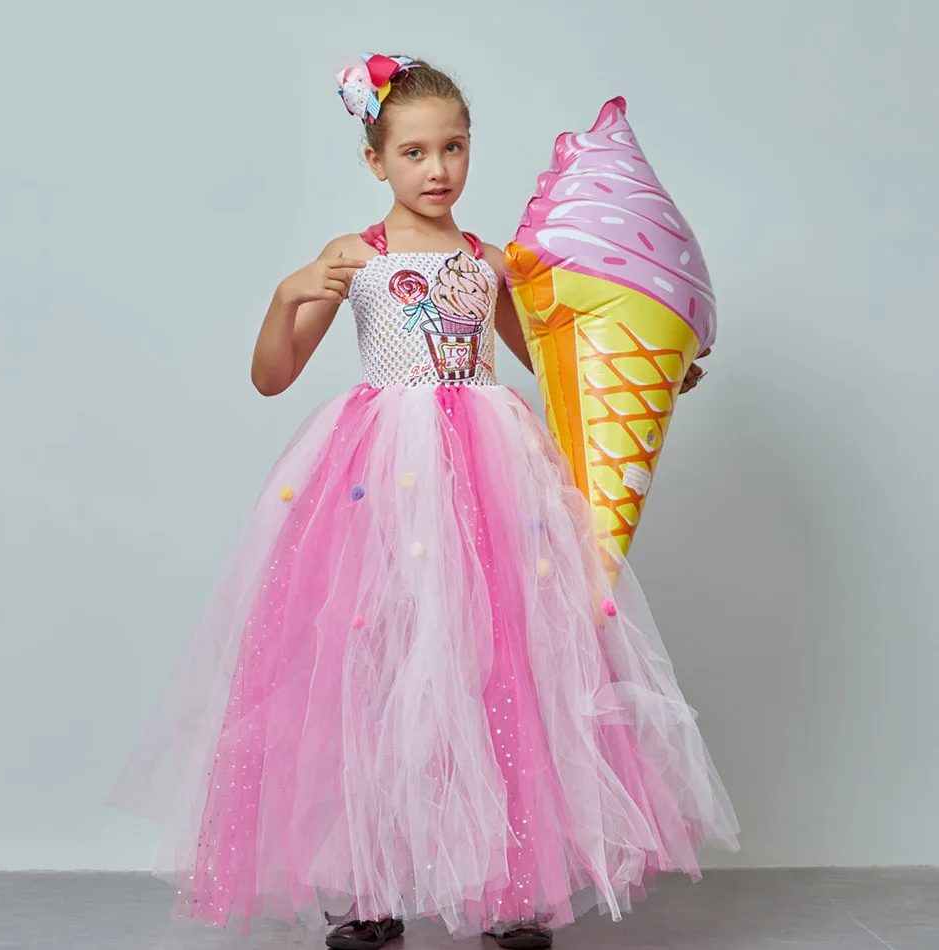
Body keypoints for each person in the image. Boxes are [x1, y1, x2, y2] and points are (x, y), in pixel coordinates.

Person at [106, 52, 738, 950]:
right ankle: (366, 887)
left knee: (495, 663)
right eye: (413, 152)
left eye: (453, 148)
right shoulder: (352, 256)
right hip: (378, 478)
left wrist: (651, 369)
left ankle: (510, 887)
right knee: (374, 672)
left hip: (488, 477)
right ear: (375, 160)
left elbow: (550, 366)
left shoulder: (493, 262)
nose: (437, 169)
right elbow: (272, 376)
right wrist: (287, 294)